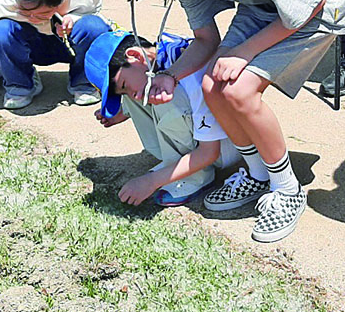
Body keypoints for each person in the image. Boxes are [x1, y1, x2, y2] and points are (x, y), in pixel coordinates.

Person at [103, 0, 345, 242]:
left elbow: (308, 5)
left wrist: (244, 53)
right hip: (264, 5)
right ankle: (256, 172)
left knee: (238, 89)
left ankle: (287, 188)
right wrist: (171, 76)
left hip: (322, 0)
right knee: (211, 85)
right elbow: (206, 40)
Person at [84, 22, 238, 207]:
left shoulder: (186, 75)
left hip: (226, 146)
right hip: (207, 134)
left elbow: (209, 153)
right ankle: (172, 165)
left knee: (160, 94)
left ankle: (195, 177)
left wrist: (151, 181)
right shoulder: (159, 52)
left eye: (123, 84)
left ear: (134, 55)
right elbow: (136, 85)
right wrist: (125, 111)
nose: (132, 95)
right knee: (140, 91)